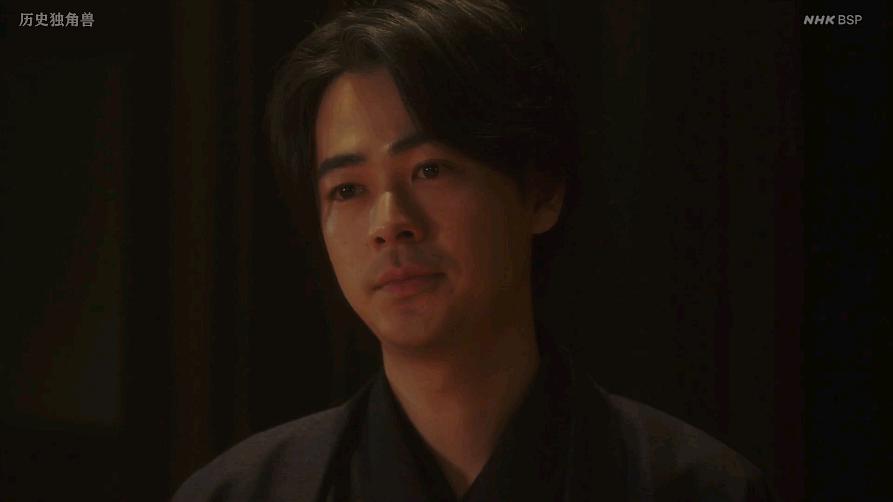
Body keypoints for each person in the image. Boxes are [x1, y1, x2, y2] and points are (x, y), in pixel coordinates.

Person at [173, 1, 776, 500]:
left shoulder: (698, 488)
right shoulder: (240, 493)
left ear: (540, 193)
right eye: (348, 189)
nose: (390, 223)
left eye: (430, 169)